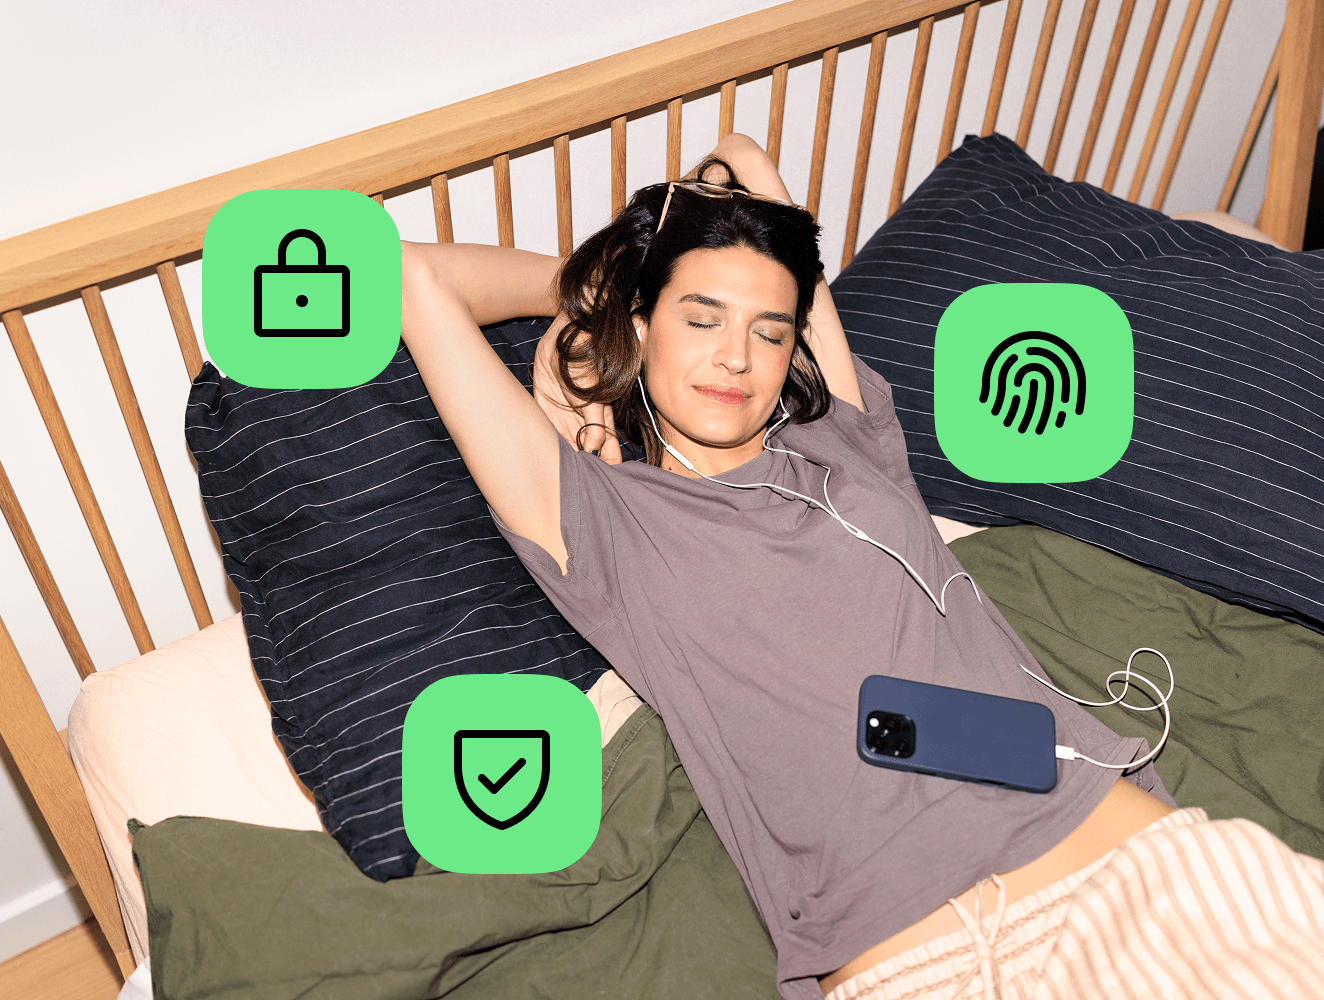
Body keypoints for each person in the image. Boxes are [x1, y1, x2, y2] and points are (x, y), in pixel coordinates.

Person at [399, 133, 1324, 1000]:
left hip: (1145, 869)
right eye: (700, 317)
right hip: (931, 957)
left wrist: (689, 244)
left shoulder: (842, 438)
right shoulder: (603, 526)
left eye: (769, 329)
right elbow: (416, 277)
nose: (735, 355)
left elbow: (746, 158)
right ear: (640, 328)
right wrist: (585, 294)